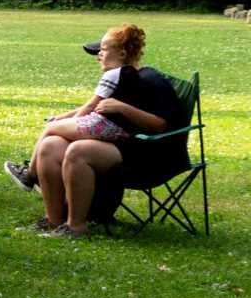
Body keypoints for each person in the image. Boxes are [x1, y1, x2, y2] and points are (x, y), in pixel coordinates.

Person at [11, 25, 181, 238]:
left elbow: (159, 125)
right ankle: (52, 220)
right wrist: (67, 116)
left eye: (103, 50)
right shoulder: (123, 77)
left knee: (78, 151)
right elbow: (96, 106)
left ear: (122, 53)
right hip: (118, 142)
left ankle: (75, 228)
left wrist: (121, 108)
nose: (98, 56)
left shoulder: (151, 80)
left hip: (144, 152)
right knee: (50, 145)